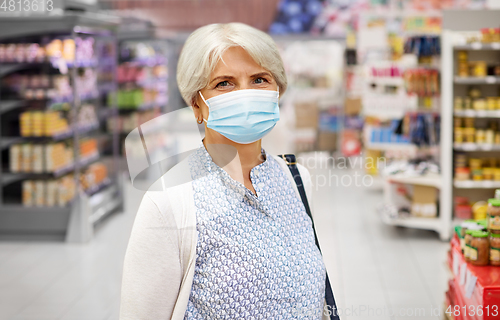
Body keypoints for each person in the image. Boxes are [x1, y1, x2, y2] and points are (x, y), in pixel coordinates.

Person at [120, 22, 330, 319]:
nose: (245, 94)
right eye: (224, 83)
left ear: (278, 91)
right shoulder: (169, 202)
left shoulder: (297, 181)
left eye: (259, 79)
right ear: (197, 105)